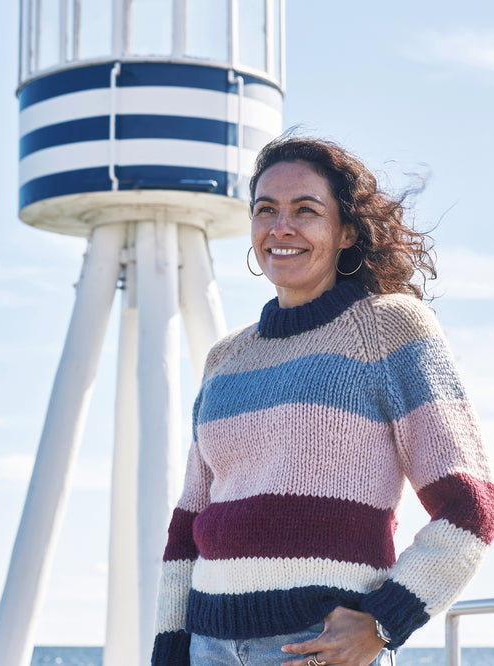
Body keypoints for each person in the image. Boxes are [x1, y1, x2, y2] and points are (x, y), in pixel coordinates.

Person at [151, 135, 494, 666]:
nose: (280, 227)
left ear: (347, 231)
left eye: (305, 210)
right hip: (206, 647)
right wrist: (170, 649)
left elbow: (470, 507)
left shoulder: (390, 328)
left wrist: (384, 621)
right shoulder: (225, 358)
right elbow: (187, 529)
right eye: (266, 210)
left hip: (320, 649)